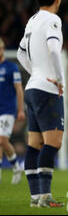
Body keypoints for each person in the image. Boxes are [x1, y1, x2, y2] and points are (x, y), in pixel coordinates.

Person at [17, 0, 65, 207]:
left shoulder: (32, 20)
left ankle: (35, 197)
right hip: (47, 89)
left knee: (34, 144)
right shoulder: (53, 19)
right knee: (53, 142)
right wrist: (59, 79)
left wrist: (35, 72)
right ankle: (45, 196)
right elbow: (54, 49)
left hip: (32, 88)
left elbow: (19, 54)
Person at [0, 38, 25, 184]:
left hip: (7, 110)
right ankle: (14, 167)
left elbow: (19, 90)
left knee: (2, 140)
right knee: (1, 142)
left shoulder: (11, 68)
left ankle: (15, 167)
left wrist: (20, 110)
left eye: (1, 48)